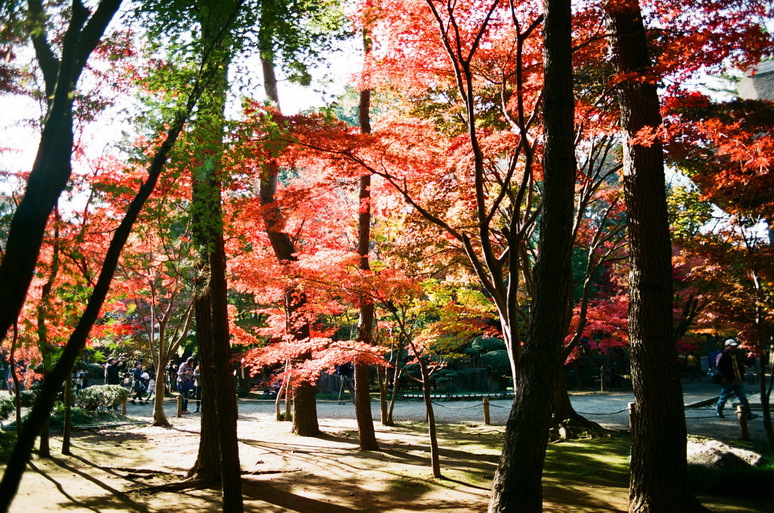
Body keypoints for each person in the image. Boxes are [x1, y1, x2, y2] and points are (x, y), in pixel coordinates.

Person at [715, 339, 757, 420]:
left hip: (737, 378)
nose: (734, 347)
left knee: (742, 397)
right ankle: (719, 411)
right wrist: (723, 377)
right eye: (732, 346)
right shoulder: (723, 355)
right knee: (724, 397)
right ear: (727, 346)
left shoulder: (735, 355)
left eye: (734, 346)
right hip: (729, 379)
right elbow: (719, 367)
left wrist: (743, 366)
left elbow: (739, 363)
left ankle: (748, 413)